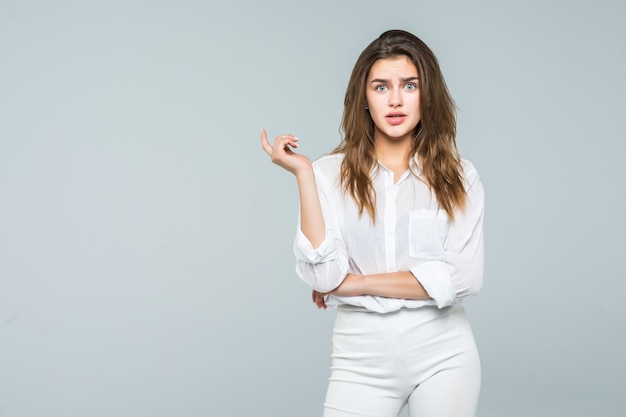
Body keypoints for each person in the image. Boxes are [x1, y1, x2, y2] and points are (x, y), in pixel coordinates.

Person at [260, 29, 484, 417]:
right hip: (360, 355)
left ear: (426, 94)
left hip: (444, 353)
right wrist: (303, 175)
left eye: (409, 85)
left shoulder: (460, 177)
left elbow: (463, 278)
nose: (395, 100)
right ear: (363, 98)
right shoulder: (327, 175)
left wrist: (355, 283)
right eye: (381, 87)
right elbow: (324, 276)